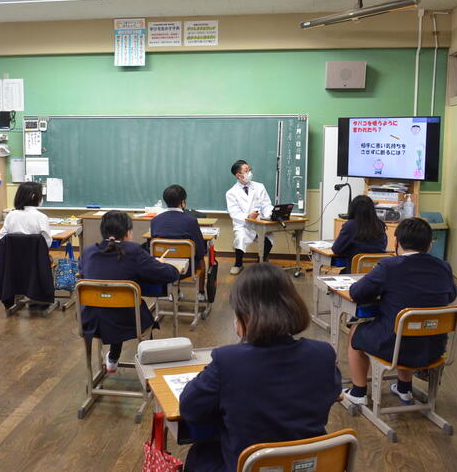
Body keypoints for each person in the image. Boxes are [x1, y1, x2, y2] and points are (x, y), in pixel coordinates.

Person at [180, 262, 341, 471]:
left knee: (200, 453)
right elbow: (332, 392)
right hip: (307, 465)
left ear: (245, 315)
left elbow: (190, 409)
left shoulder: (228, 361)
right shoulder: (322, 354)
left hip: (251, 465)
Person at [343, 217, 457, 406]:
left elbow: (357, 292)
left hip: (396, 347)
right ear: (430, 244)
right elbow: (451, 296)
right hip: (434, 348)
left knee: (356, 330)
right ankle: (404, 389)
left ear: (396, 242)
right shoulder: (444, 267)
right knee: (410, 327)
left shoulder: (390, 266)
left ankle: (358, 392)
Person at [80, 210, 180, 373]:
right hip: (127, 321)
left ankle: (112, 359)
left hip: (92, 321)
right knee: (127, 309)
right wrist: (162, 264)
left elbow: (83, 272)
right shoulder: (133, 251)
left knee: (113, 303)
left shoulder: (88, 251)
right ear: (127, 233)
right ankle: (148, 368)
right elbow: (168, 274)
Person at [150, 184, 207, 301]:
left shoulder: (155, 220)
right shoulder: (190, 221)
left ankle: (173, 293)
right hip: (188, 269)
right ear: (183, 202)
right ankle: (201, 294)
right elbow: (200, 250)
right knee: (201, 260)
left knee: (173, 254)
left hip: (163, 266)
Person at [225, 160, 273, 275]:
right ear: (238, 175)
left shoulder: (259, 187)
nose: (249, 173)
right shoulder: (231, 193)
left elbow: (267, 204)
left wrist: (270, 215)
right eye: (246, 171)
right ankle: (238, 264)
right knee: (240, 238)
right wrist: (248, 216)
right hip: (244, 225)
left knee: (269, 240)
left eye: (249, 169)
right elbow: (234, 213)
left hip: (260, 223)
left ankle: (260, 262)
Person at [331, 195, 388, 273]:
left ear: (352, 209)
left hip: (354, 272)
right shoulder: (380, 225)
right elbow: (383, 246)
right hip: (376, 272)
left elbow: (336, 250)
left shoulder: (350, 225)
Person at [0, 181, 52, 246]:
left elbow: (2, 238)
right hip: (35, 252)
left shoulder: (10, 215)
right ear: (33, 197)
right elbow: (47, 243)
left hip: (13, 252)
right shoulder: (42, 217)